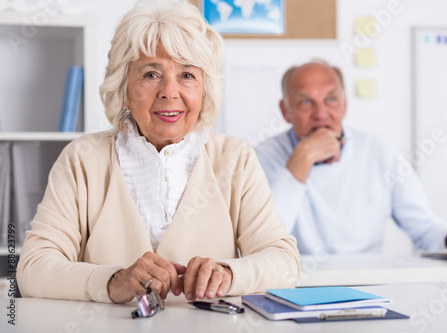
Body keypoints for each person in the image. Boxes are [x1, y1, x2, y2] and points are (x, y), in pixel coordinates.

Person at [16, 0, 300, 304]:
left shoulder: (235, 158)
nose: (169, 91)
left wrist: (229, 274)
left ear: (204, 90)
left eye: (187, 75)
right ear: (123, 86)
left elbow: (284, 262)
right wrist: (110, 281)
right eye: (151, 74)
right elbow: (33, 269)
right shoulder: (83, 159)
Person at [256, 59, 447, 255]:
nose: (321, 114)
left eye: (331, 100)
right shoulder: (260, 157)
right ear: (286, 111)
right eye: (306, 102)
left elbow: (423, 227)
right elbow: (264, 242)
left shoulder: (379, 151)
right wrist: (302, 159)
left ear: (344, 105)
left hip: (370, 287)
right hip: (296, 289)